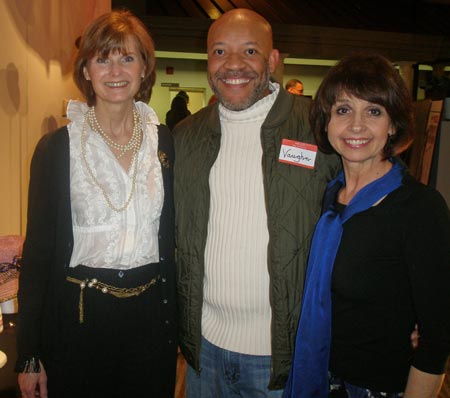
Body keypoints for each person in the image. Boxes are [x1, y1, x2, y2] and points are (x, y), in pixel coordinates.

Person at [173, 8, 341, 397]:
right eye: (219, 52)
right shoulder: (184, 137)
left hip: (284, 359)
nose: (233, 65)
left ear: (274, 60)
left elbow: (370, 211)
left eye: (249, 51)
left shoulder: (320, 127)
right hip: (204, 354)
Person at [15, 10, 177, 398]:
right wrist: (28, 356)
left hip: (151, 323)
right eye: (101, 58)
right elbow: (36, 256)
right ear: (86, 70)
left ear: (144, 68)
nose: (114, 69)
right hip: (78, 320)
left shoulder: (165, 142)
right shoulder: (57, 149)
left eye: (127, 57)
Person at [284, 52, 450, 398]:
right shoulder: (330, 199)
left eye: (373, 111)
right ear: (327, 122)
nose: (356, 126)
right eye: (343, 110)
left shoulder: (418, 208)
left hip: (380, 388)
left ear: (392, 125)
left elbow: (437, 336)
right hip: (323, 381)